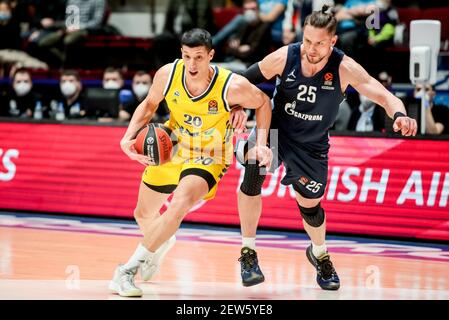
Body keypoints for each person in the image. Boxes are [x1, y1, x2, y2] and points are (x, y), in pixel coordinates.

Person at [234, 5, 417, 290]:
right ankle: (248, 253)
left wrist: (401, 115)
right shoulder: (287, 56)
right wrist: (235, 104)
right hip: (276, 130)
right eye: (307, 40)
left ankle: (319, 253)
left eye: (319, 43)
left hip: (312, 145)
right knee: (253, 172)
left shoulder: (344, 67)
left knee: (310, 208)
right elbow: (243, 79)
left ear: (332, 41)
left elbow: (383, 95)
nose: (311, 48)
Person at [109, 28, 273, 297]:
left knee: (178, 204)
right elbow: (150, 105)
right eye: (187, 57)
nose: (192, 65)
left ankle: (125, 272)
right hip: (172, 144)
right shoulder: (167, 74)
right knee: (142, 214)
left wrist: (263, 143)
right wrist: (127, 137)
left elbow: (264, 102)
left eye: (198, 57)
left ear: (211, 55)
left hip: (209, 154)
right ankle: (161, 240)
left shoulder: (231, 86)